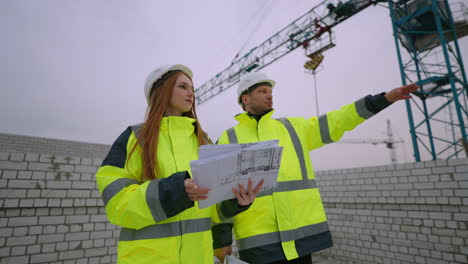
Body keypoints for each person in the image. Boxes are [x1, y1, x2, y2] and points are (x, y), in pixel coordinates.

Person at [212, 71, 419, 264]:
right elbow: (220, 199)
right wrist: (221, 242)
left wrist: (381, 100)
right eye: (262, 91)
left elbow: (338, 120)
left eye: (270, 92)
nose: (269, 96)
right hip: (259, 247)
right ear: (245, 99)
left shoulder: (292, 128)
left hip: (302, 241)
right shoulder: (228, 139)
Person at [95, 64, 264, 264]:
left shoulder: (203, 141)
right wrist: (175, 192)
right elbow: (117, 204)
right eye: (183, 87)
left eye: (192, 89)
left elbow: (212, 210)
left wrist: (234, 202)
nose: (191, 93)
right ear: (161, 91)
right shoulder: (135, 138)